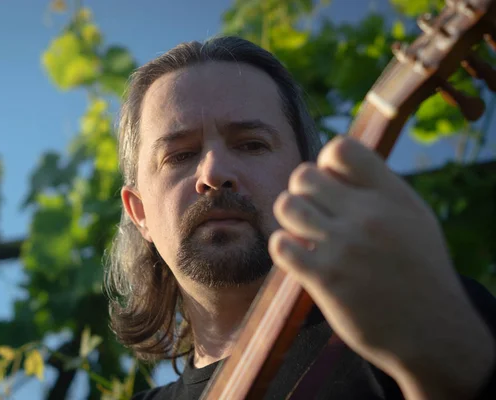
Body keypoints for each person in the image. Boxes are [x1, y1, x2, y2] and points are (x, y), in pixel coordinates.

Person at [104, 36, 496, 399]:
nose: (213, 173)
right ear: (139, 214)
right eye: (180, 155)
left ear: (307, 175)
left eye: (252, 144)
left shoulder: (426, 316)